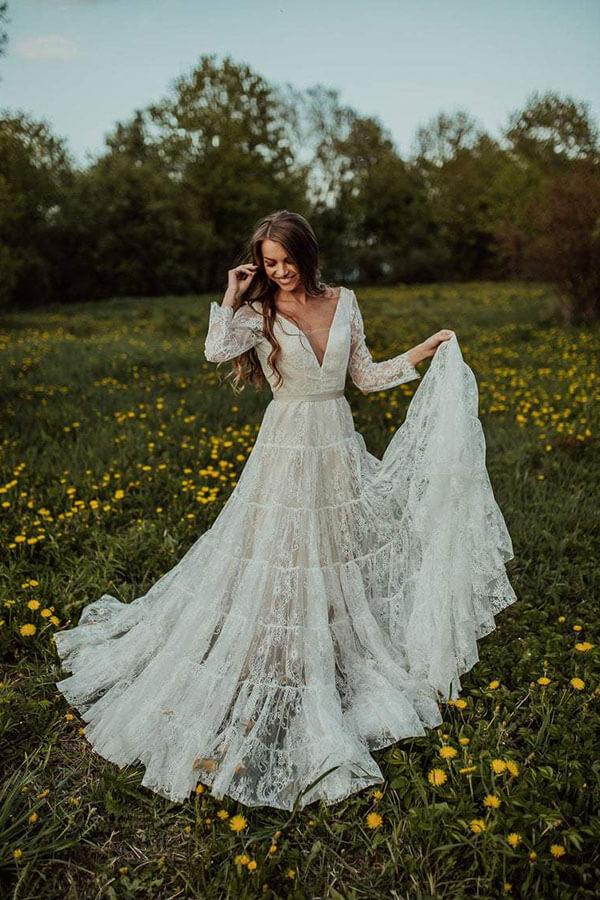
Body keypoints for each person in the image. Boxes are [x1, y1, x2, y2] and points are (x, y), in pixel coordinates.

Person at [53, 210, 517, 812]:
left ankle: (326, 640)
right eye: (268, 263)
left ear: (307, 253)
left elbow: (366, 378)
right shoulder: (259, 312)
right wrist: (233, 291)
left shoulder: (344, 301)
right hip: (286, 445)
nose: (279, 272)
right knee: (281, 549)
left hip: (336, 442)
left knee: (336, 546)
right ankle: (273, 650)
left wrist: (427, 349)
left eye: (285, 261)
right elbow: (216, 350)